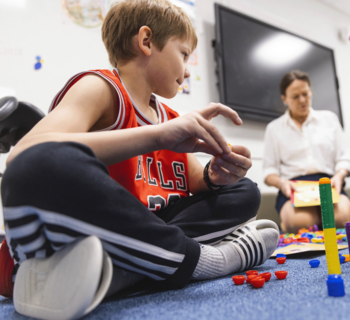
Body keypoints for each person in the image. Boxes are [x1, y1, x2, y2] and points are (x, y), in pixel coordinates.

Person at [0, 0, 279, 318]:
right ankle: (207, 261)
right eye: (184, 54)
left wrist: (216, 177)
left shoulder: (169, 115)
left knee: (244, 191)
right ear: (147, 41)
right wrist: (158, 135)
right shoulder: (101, 87)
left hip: (141, 237)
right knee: (38, 165)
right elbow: (25, 154)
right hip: (78, 239)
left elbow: (196, 182)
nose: (188, 70)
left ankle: (121, 273)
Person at [263, 70, 350, 233]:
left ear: (311, 92)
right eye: (295, 97)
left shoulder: (329, 119)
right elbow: (269, 172)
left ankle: (316, 223)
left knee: (343, 219)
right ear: (284, 99)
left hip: (327, 183)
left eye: (305, 94)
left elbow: (344, 159)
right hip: (294, 186)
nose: (303, 100)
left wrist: (339, 176)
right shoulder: (274, 128)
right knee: (301, 223)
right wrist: (282, 184)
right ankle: (298, 223)